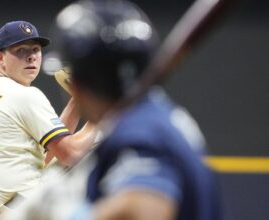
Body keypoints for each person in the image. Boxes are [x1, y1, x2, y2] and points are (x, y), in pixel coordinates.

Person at [15, 0, 224, 220]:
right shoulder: (152, 116)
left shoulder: (141, 132)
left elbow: (145, 211)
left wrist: (73, 215)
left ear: (76, 84)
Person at [0, 20, 97, 220]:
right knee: (102, 139)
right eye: (20, 50)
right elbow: (71, 153)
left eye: (35, 49)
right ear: (0, 58)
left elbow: (46, 152)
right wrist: (105, 116)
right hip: (21, 212)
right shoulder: (23, 95)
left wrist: (78, 100)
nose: (31, 56)